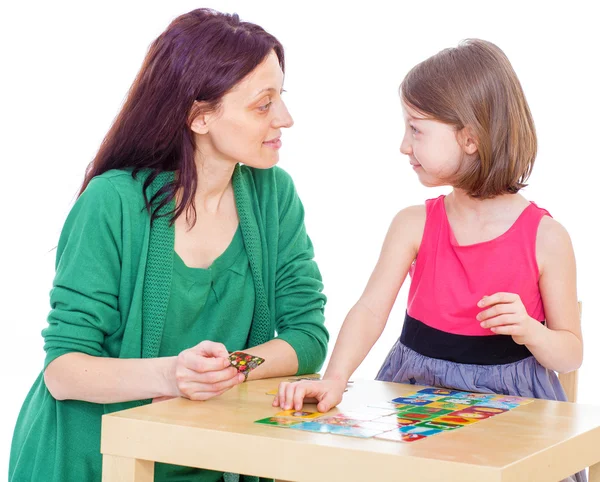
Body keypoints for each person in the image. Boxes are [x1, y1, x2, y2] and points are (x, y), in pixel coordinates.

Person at [10, 8, 328, 482]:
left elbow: (307, 335)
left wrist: (231, 368)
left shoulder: (274, 196)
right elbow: (64, 370)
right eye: (263, 104)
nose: (286, 118)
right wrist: (171, 374)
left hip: (209, 456)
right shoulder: (112, 201)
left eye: (281, 97)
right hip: (92, 459)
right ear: (199, 117)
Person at [274, 40, 584, 481]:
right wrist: (335, 377)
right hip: (415, 400)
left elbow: (570, 353)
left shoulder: (547, 238)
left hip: (513, 416)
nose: (404, 145)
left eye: (416, 129)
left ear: (471, 139)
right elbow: (369, 309)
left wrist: (531, 331)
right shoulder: (413, 224)